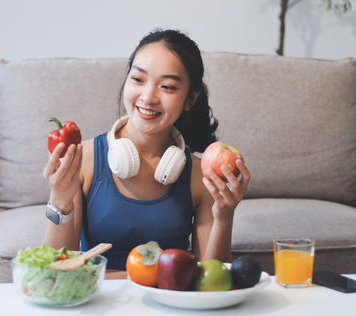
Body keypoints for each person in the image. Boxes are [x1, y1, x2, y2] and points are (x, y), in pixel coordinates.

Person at [43, 29, 250, 278]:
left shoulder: (199, 175)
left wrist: (224, 216)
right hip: (99, 306)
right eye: (138, 79)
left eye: (167, 86)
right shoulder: (83, 159)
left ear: (190, 99)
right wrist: (60, 202)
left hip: (168, 308)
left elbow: (211, 281)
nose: (148, 97)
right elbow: (55, 275)